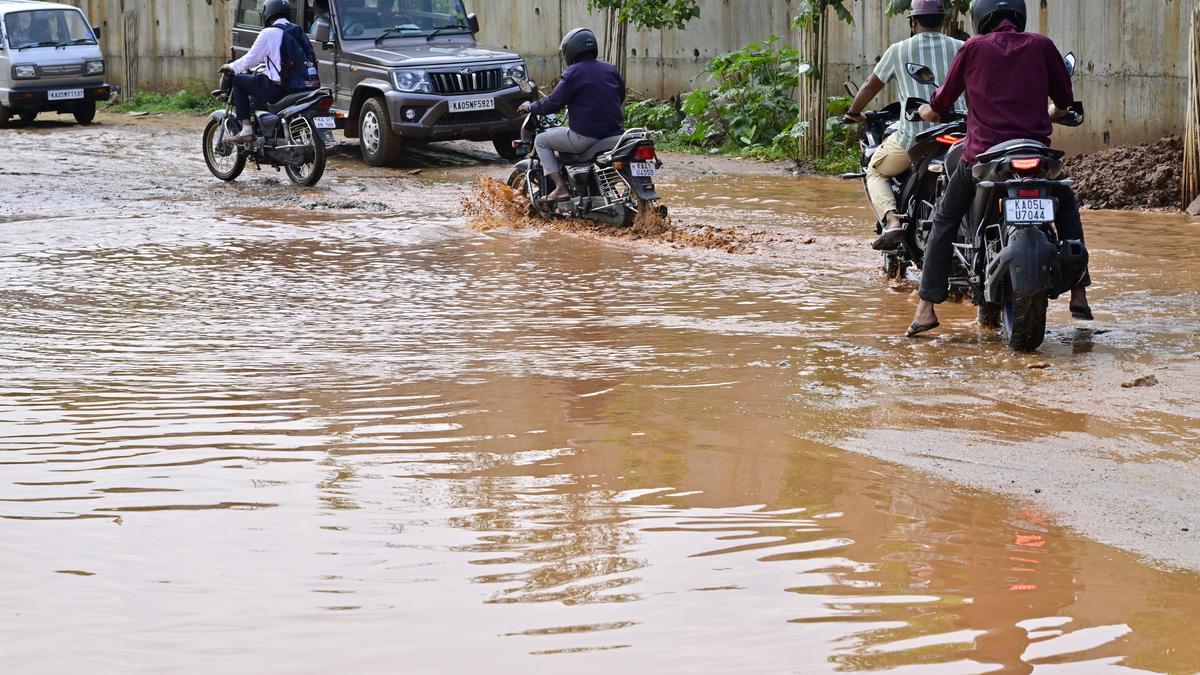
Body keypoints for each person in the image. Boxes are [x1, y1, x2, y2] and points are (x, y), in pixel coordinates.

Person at [907, 0, 1091, 337]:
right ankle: (1079, 291)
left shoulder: (973, 47)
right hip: (1036, 155)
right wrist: (1049, 112)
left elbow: (942, 102)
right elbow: (1064, 101)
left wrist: (924, 113)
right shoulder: (1042, 44)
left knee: (945, 220)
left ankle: (926, 308)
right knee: (1065, 202)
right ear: (1018, 16)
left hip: (983, 156)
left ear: (980, 18)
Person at [843, 0, 965, 250]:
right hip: (962, 134)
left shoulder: (899, 50)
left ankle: (892, 221)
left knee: (874, 170)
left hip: (916, 136)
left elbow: (870, 85)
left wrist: (854, 112)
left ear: (913, 21)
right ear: (942, 21)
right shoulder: (962, 48)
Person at [517, 28, 625, 203]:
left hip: (585, 137)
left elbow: (553, 102)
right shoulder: (610, 69)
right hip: (614, 133)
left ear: (572, 50)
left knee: (541, 140)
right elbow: (620, 96)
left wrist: (531, 107)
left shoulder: (573, 72)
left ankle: (560, 188)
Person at [219, 0, 294, 143]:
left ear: (267, 13)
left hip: (278, 88)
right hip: (299, 87)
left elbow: (251, 58)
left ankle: (247, 130)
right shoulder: (297, 31)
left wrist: (231, 67)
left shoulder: (269, 33)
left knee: (239, 80)